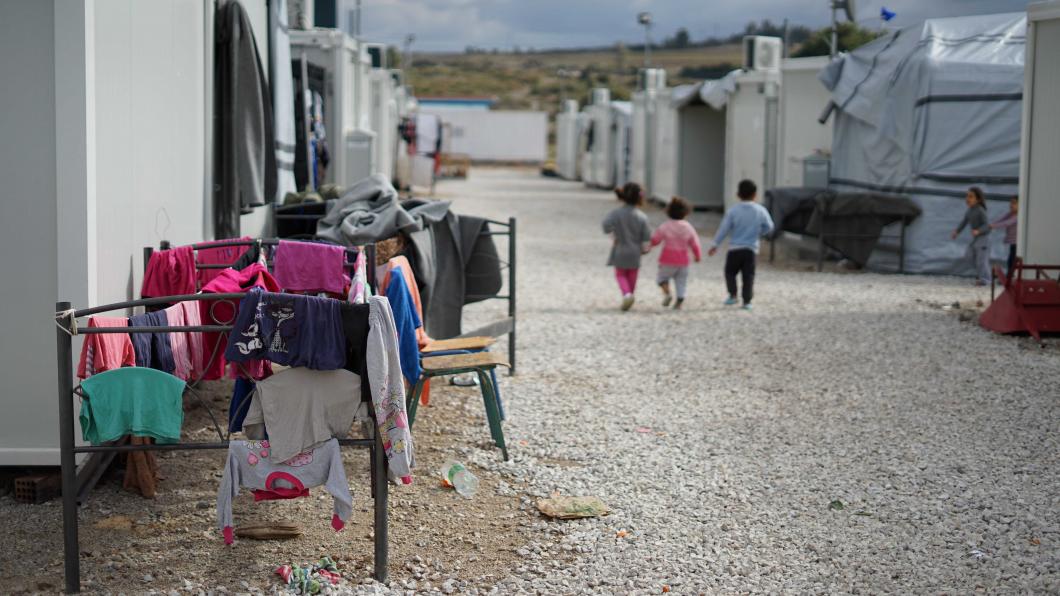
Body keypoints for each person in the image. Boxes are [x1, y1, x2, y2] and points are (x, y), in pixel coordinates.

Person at [707, 180, 774, 311]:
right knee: (748, 275)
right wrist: (761, 233)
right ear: (755, 194)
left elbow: (724, 229)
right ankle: (747, 301)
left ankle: (732, 295)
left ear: (738, 194)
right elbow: (770, 226)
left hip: (735, 249)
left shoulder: (733, 211)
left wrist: (715, 244)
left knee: (730, 272)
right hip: (751, 249)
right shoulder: (760, 210)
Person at [603, 182, 652, 311]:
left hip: (620, 248)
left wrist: (613, 235)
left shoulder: (616, 213)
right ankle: (630, 293)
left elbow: (606, 224)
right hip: (635, 251)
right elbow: (647, 235)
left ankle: (626, 294)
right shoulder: (642, 216)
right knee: (632, 274)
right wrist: (645, 247)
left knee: (620, 274)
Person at [649, 197, 702, 310]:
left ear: (668, 212)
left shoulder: (665, 226)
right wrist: (697, 255)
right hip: (683, 261)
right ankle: (680, 299)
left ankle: (667, 293)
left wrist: (649, 245)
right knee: (681, 281)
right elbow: (695, 243)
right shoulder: (688, 227)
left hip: (667, 259)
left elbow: (655, 239)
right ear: (686, 212)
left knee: (662, 278)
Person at [950, 186, 992, 286]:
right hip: (976, 239)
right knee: (969, 256)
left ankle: (986, 280)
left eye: (971, 196)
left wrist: (978, 231)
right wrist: (957, 231)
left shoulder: (981, 210)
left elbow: (987, 226)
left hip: (984, 239)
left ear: (978, 199)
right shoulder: (969, 211)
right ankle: (983, 275)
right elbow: (964, 222)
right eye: (967, 196)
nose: (967, 199)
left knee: (981, 260)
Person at [990, 195, 1019, 279]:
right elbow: (1002, 219)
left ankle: (1010, 276)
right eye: (1010, 202)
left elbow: (1007, 223)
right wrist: (993, 224)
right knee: (1010, 259)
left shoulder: (1018, 216)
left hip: (1017, 242)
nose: (1011, 205)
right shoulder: (1011, 213)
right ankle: (1010, 276)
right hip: (1012, 242)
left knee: (1012, 260)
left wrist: (994, 226)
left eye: (1014, 203)